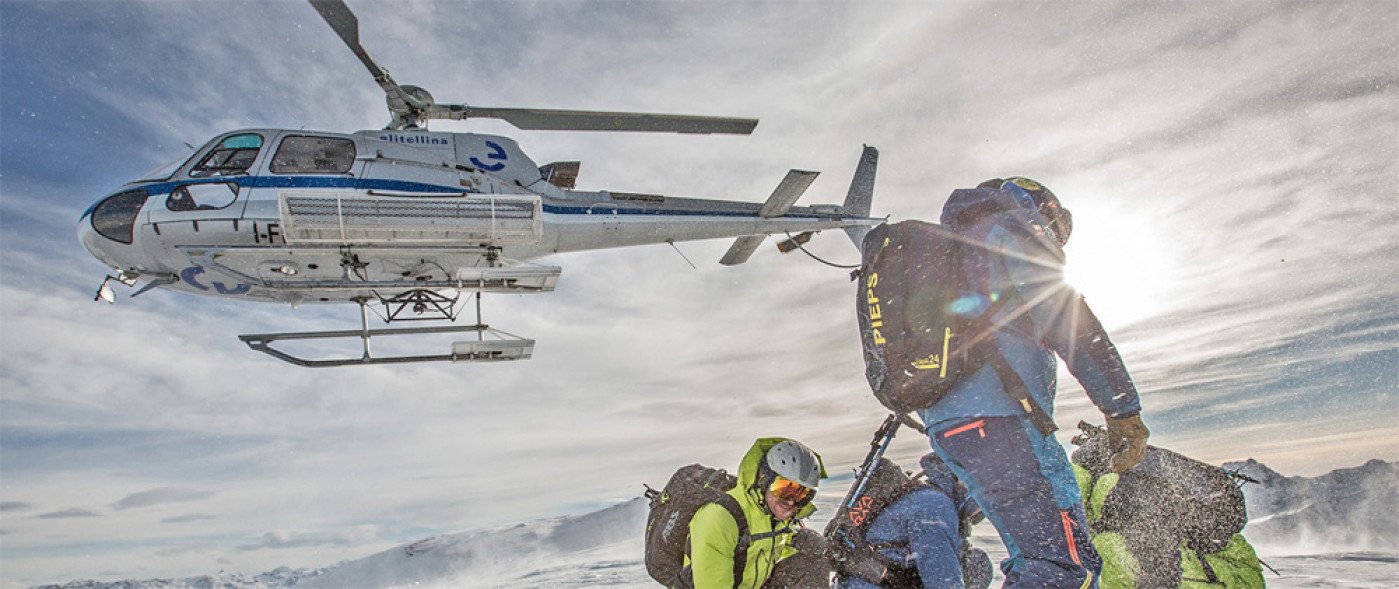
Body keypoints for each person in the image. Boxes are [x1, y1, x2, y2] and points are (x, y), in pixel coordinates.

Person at [916, 177, 1152, 587]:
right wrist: (1122, 408)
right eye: (1059, 231)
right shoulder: (1010, 226)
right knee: (1063, 568)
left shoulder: (950, 249)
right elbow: (1065, 316)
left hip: (950, 423)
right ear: (1045, 209)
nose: (1057, 243)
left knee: (1045, 561)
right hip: (1002, 418)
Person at [684, 437, 828, 588]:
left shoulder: (776, 517)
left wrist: (803, 545)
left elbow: (769, 549)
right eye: (784, 489)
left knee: (815, 563)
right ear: (764, 480)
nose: (791, 501)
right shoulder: (719, 518)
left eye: (802, 494)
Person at [834, 453, 993, 589]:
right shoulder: (936, 508)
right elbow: (942, 579)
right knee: (976, 567)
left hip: (870, 581)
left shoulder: (928, 497)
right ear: (968, 483)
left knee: (976, 563)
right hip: (870, 583)